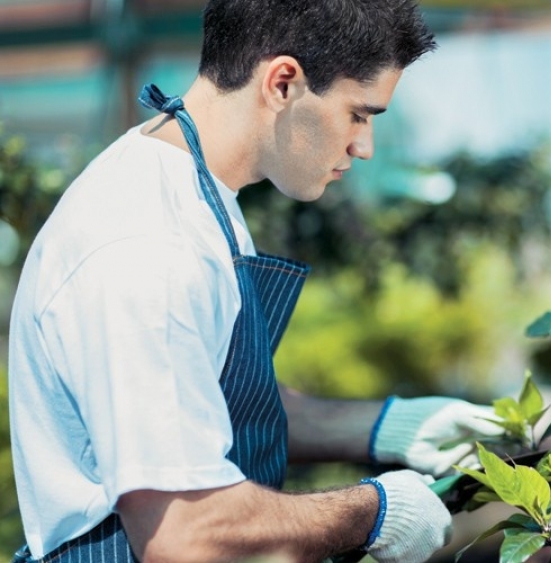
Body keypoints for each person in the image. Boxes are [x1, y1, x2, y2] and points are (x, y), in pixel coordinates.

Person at [6, 0, 503, 561]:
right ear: (283, 83)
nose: (363, 147)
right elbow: (184, 532)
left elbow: (207, 400)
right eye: (359, 115)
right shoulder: (149, 247)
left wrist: (390, 426)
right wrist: (372, 512)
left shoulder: (194, 193)